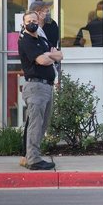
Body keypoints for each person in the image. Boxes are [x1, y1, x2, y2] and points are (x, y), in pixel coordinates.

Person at [18, 11, 63, 171]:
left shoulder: (42, 39)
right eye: (29, 20)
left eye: (34, 20)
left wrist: (48, 54)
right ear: (23, 23)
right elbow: (42, 60)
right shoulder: (26, 40)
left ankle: (32, 155)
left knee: (43, 124)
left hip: (47, 86)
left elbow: (60, 55)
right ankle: (33, 159)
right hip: (36, 87)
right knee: (35, 125)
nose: (32, 23)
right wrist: (49, 56)